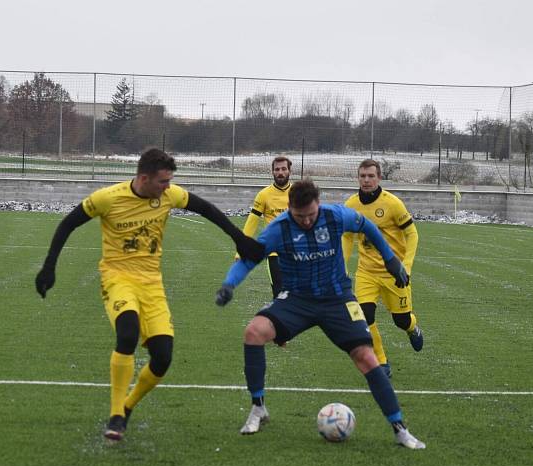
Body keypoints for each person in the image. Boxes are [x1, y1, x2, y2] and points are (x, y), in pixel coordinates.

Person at [35, 148, 265, 442]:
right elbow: (68, 223)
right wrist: (49, 267)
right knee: (127, 334)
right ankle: (116, 414)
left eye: (170, 181)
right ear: (143, 178)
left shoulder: (168, 195)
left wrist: (240, 239)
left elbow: (206, 209)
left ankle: (127, 408)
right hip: (117, 278)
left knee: (162, 357)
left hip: (152, 284)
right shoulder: (109, 198)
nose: (168, 187)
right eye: (163, 181)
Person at [215, 179, 425, 450]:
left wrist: (390, 258)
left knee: (366, 356)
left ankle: (399, 428)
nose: (306, 221)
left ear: (318, 205)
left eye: (311, 215)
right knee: (254, 332)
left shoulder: (335, 215)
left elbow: (367, 226)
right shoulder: (278, 228)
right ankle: (258, 408)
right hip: (296, 300)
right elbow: (249, 259)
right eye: (300, 216)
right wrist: (229, 284)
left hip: (337, 298)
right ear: (289, 208)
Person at [342, 159, 423, 378]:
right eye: (362, 176)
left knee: (401, 320)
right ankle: (381, 362)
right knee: (364, 316)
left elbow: (412, 234)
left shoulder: (393, 204)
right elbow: (347, 236)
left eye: (371, 176)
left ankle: (412, 328)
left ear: (379, 178)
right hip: (366, 272)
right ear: (357, 178)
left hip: (394, 273)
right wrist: (342, 265)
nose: (366, 180)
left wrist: (405, 266)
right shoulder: (350, 205)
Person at [237, 156, 292, 297]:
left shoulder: (298, 193)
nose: (280, 172)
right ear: (272, 172)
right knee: (280, 293)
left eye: (284, 169)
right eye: (277, 169)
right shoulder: (264, 195)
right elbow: (252, 221)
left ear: (290, 171)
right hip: (275, 253)